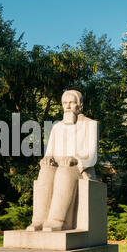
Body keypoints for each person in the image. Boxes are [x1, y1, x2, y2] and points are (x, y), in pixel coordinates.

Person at [26, 90, 99, 232]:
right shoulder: (56, 127)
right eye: (65, 103)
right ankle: (39, 220)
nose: (68, 106)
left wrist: (75, 160)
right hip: (59, 168)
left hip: (80, 170)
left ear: (80, 105)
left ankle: (59, 220)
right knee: (46, 171)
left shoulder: (91, 125)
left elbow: (92, 155)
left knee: (64, 171)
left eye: (71, 102)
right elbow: (49, 154)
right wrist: (47, 160)